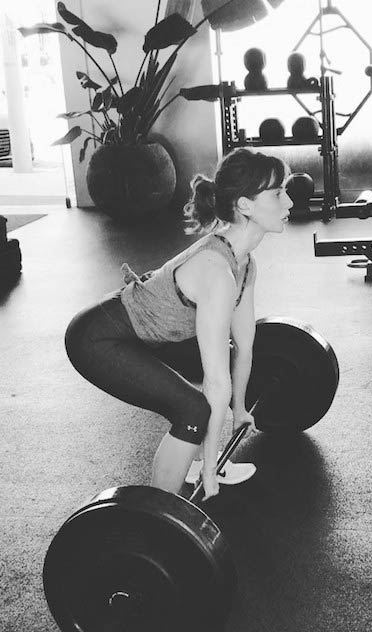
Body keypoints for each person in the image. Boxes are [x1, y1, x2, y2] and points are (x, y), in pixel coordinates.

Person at [65, 148, 293, 501]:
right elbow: (216, 383)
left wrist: (240, 410)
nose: (289, 201)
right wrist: (210, 471)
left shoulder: (245, 264)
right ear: (245, 206)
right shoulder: (217, 272)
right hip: (100, 339)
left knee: (226, 361)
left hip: (153, 336)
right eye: (278, 193)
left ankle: (199, 459)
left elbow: (245, 347)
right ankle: (160, 513)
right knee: (192, 410)